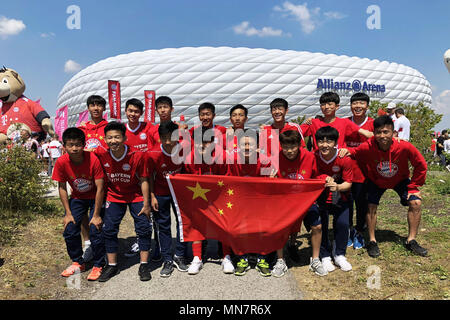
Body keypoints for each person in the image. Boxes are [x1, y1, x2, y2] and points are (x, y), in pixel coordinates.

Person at [340, 115, 428, 258]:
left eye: (386, 132)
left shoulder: (404, 146)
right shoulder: (368, 145)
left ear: (393, 134)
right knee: (371, 206)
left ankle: (411, 240)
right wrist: (344, 151)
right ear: (374, 133)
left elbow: (421, 165)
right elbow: (354, 152)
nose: (382, 136)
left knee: (415, 202)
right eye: (378, 132)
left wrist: (414, 186)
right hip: (377, 181)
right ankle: (372, 241)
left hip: (400, 180)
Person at [94, 121, 153, 282]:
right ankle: (112, 265)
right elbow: (83, 152)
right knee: (109, 229)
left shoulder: (137, 155)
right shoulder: (101, 153)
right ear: (105, 139)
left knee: (144, 228)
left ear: (125, 138)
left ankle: (144, 264)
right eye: (110, 138)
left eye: (117, 137)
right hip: (114, 196)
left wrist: (146, 204)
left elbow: (144, 180)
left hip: (136, 196)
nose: (113, 141)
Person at [51, 127, 106, 281]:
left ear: (84, 144)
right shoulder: (61, 162)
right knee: (70, 228)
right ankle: (77, 262)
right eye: (70, 145)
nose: (74, 148)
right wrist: (68, 213)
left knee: (95, 229)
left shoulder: (93, 159)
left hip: (95, 196)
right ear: (64, 146)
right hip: (77, 198)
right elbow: (62, 187)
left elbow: (100, 187)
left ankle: (98, 264)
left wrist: (95, 215)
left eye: (78, 145)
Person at [273, 130, 328, 276]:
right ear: (281, 146)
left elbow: (316, 175)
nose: (289, 151)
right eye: (285, 147)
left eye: (293, 147)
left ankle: (315, 260)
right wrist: (271, 177)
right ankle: (280, 260)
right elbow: (270, 180)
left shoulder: (309, 156)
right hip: (285, 201)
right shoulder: (276, 158)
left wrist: (326, 178)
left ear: (299, 145)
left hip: (305, 200)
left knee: (317, 226)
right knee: (279, 227)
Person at [183, 126, 231, 275]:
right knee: (197, 224)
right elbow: (187, 178)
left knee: (223, 224)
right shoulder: (190, 157)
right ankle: (197, 257)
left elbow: (227, 175)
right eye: (199, 142)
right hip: (199, 196)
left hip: (218, 196)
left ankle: (226, 257)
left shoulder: (221, 155)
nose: (202, 146)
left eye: (206, 142)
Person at [227, 130, 273, 277]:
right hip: (240, 202)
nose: (247, 147)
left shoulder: (265, 160)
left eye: (250, 144)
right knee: (239, 229)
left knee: (263, 228)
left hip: (260, 202)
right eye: (243, 144)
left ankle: (262, 258)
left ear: (258, 145)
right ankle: (242, 258)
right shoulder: (233, 160)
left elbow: (268, 186)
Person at [148, 121, 190, 277]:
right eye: (163, 138)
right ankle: (167, 259)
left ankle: (180, 255)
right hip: (161, 192)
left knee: (182, 222)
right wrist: (152, 196)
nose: (167, 142)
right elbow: (149, 177)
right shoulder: (153, 154)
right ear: (159, 138)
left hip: (178, 192)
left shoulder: (183, 149)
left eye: (170, 138)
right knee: (163, 225)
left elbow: (187, 169)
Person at [314, 126, 353, 272]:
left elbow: (348, 183)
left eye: (329, 141)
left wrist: (336, 187)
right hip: (320, 196)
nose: (325, 145)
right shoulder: (314, 156)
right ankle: (324, 256)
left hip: (340, 195)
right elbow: (311, 175)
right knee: (321, 225)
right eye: (321, 141)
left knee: (342, 224)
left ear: (336, 142)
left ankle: (339, 255)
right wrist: (323, 178)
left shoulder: (344, 159)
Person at [123, 98, 155, 258]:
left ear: (141, 113)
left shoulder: (148, 127)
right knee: (138, 212)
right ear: (125, 111)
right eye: (130, 111)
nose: (133, 114)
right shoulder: (121, 130)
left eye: (136, 111)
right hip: (129, 178)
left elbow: (164, 130)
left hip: (148, 176)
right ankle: (140, 241)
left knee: (151, 210)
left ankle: (152, 244)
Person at [345, 92, 374, 250]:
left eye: (361, 103)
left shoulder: (373, 123)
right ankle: (348, 230)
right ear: (350, 106)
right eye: (355, 103)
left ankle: (359, 231)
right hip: (346, 172)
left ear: (367, 106)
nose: (358, 106)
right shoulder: (344, 123)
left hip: (364, 172)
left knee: (362, 204)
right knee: (346, 204)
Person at [300, 92, 373, 151]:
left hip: (339, 162)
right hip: (319, 162)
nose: (326, 107)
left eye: (329, 104)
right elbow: (294, 132)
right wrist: (304, 150)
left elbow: (367, 133)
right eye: (323, 104)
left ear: (337, 106)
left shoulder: (344, 122)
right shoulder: (313, 123)